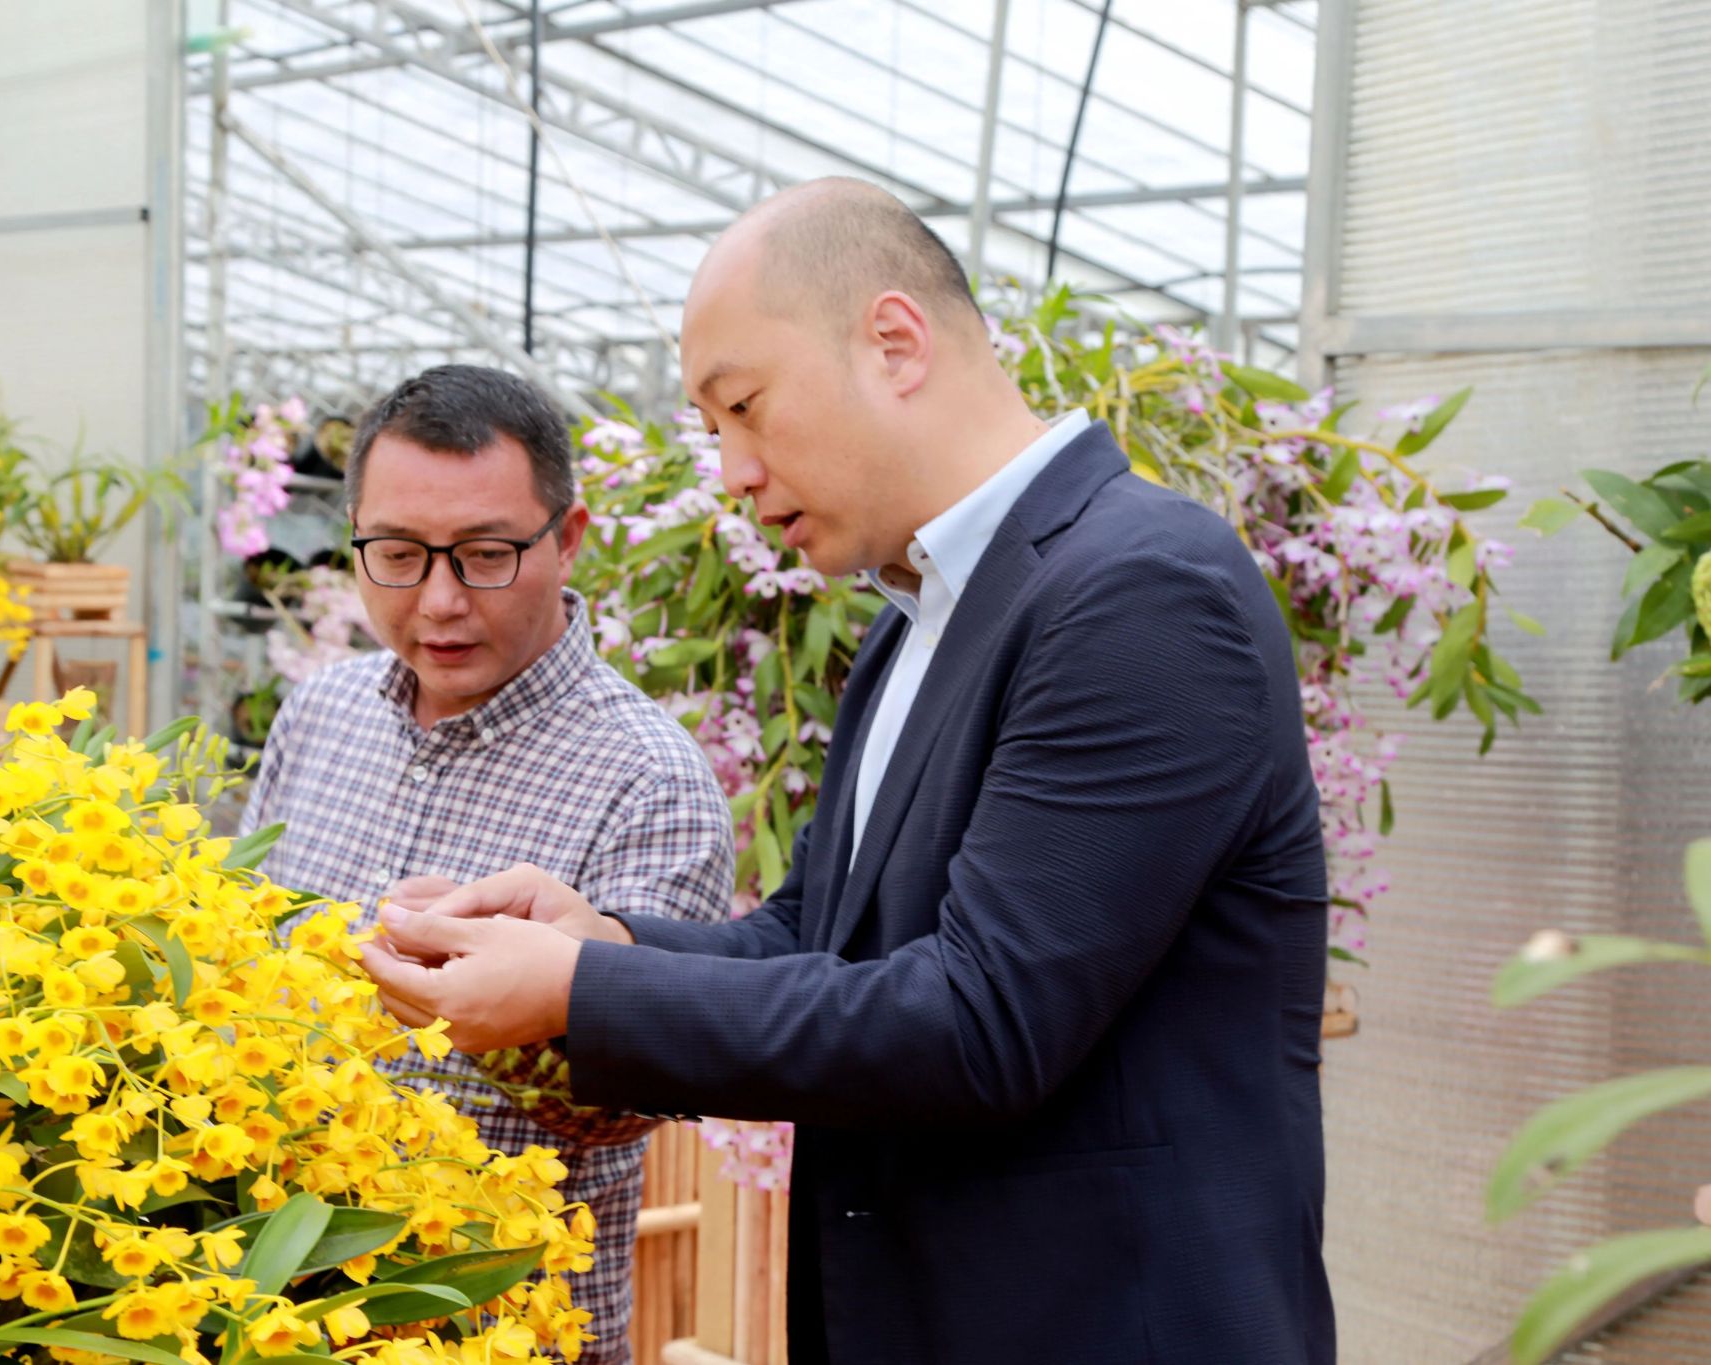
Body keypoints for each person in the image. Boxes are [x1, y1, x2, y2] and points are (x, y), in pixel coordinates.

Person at [360, 181, 1336, 1364]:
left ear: (893, 343)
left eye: (743, 408)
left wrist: (576, 993)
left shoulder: (1139, 591)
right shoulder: (915, 620)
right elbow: (815, 936)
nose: (731, 470)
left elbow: (983, 1019)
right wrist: (600, 943)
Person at [238, 364, 735, 1365]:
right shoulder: (322, 714)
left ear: (568, 538)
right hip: (269, 1315)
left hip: (493, 1333)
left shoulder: (649, 780)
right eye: (396, 554)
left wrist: (506, 1024)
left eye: (484, 556)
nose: (439, 601)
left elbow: (635, 1107)